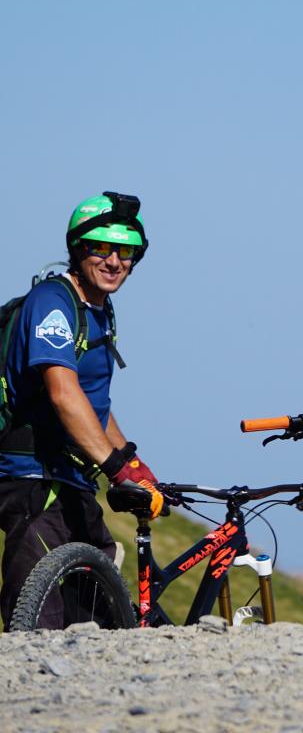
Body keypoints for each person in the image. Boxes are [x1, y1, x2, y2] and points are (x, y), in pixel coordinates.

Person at [0, 191, 163, 628]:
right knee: (37, 624)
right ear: (78, 248)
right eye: (100, 247)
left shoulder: (99, 311)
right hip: (33, 479)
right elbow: (62, 393)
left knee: (105, 613)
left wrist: (131, 462)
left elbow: (93, 406)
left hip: (71, 480)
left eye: (125, 250)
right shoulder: (54, 303)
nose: (114, 261)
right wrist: (115, 466)